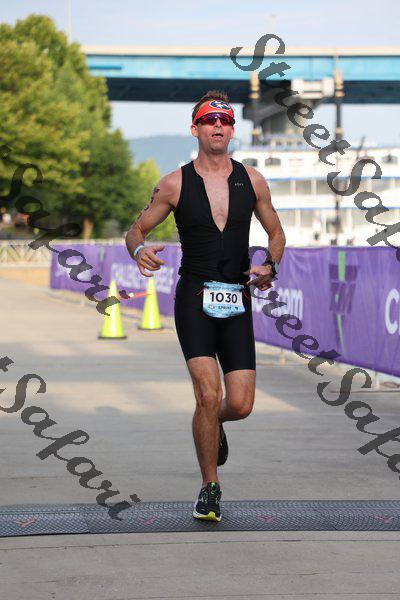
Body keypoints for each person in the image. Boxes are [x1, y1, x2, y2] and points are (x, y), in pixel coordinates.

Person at [125, 90, 286, 522]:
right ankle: (209, 488)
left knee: (241, 404)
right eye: (210, 120)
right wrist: (138, 250)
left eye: (225, 121)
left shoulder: (253, 180)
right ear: (195, 128)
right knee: (208, 394)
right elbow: (135, 230)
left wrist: (271, 264)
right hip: (194, 298)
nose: (218, 126)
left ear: (232, 130)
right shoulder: (173, 184)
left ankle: (214, 425)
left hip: (237, 298)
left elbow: (276, 233)